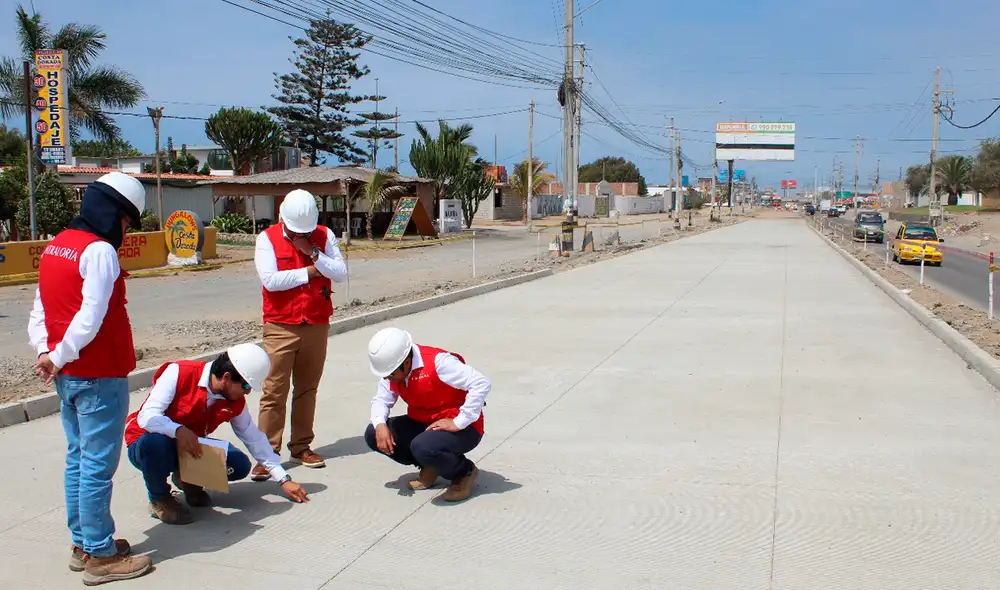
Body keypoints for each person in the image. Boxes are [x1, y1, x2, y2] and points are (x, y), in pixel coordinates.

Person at [27, 171, 153, 585]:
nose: (125, 231)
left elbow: (40, 312)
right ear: (113, 213)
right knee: (97, 466)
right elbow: (91, 316)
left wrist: (47, 354)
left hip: (71, 376)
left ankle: (83, 543)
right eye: (126, 221)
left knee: (78, 460)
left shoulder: (56, 246)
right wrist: (60, 356)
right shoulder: (99, 252)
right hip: (98, 375)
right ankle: (100, 556)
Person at [124, 343, 310, 524]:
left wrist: (283, 479)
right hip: (146, 443)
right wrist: (178, 430)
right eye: (246, 387)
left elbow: (252, 436)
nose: (247, 393)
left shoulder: (233, 400)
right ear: (227, 377)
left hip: (191, 447)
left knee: (238, 465)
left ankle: (187, 477)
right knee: (155, 444)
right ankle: (160, 499)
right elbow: (147, 417)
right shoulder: (179, 372)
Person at [251, 189, 347, 479]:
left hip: (316, 324)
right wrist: (310, 272)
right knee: (274, 391)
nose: (299, 234)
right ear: (283, 218)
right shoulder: (266, 239)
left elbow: (341, 272)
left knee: (307, 389)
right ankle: (267, 455)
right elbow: (270, 281)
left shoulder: (324, 235)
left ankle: (302, 446)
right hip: (281, 325)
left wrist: (314, 253)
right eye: (294, 230)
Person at [364, 327, 490, 502]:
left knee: (423, 447)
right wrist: (380, 425)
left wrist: (459, 421)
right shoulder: (394, 371)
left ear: (406, 362)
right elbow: (381, 400)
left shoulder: (439, 362)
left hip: (464, 428)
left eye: (390, 374)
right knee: (373, 434)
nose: (387, 379)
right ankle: (430, 465)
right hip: (426, 423)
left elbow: (480, 383)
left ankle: (463, 472)